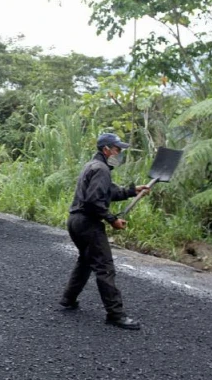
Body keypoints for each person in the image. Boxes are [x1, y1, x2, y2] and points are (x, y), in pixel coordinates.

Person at [59, 133, 149, 330]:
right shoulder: (101, 170)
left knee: (85, 261)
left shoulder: (92, 166)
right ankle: (115, 314)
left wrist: (133, 191)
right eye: (117, 149)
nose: (119, 153)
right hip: (88, 223)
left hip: (75, 221)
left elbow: (109, 192)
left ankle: (68, 299)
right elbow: (93, 201)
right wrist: (113, 220)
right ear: (106, 149)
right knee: (105, 267)